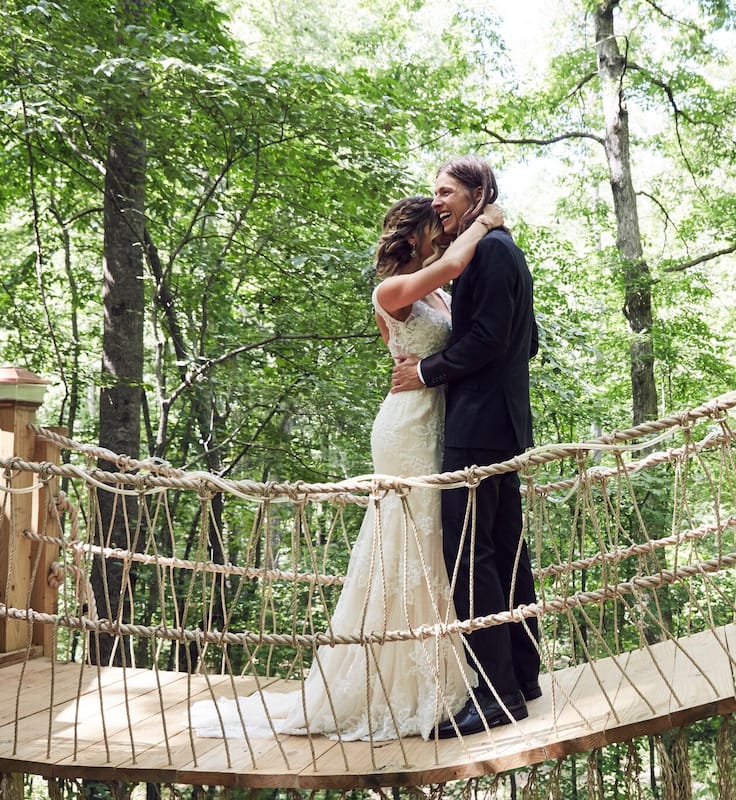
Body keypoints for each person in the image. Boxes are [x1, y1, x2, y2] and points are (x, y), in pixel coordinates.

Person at [190, 195, 503, 741]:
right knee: (408, 542)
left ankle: (442, 670)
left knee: (434, 544)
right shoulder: (391, 290)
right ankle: (397, 683)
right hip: (406, 427)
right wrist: (486, 222)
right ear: (416, 238)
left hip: (438, 418)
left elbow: (458, 331)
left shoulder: (438, 291)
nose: (444, 236)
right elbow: (455, 263)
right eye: (437, 229)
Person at [391, 156, 541, 738]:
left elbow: (490, 337)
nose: (437, 202)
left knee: (468, 556)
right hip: (500, 422)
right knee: (504, 550)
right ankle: (522, 676)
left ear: (480, 195)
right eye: (434, 192)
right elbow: (525, 343)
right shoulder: (494, 250)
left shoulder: (494, 251)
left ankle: (498, 694)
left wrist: (428, 372)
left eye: (447, 191)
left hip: (479, 427)